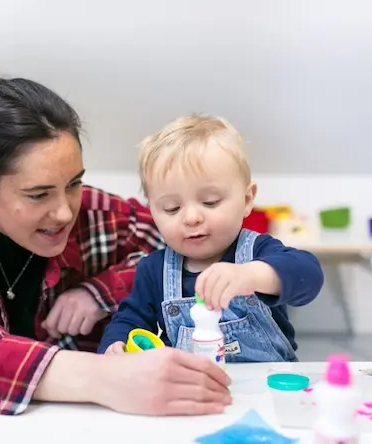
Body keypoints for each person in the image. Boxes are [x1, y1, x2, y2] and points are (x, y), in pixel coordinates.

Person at [0, 68, 234, 425]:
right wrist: (102, 377)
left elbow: (196, 247)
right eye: (38, 194)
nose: (64, 212)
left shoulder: (94, 212)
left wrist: (100, 291)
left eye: (73, 184)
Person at [97, 114, 324, 361]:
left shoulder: (258, 250)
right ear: (152, 211)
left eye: (210, 202)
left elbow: (308, 276)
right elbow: (129, 319)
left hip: (268, 385)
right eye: (172, 208)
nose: (191, 217)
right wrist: (115, 344)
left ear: (247, 200)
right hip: (192, 388)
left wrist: (251, 274)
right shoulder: (154, 270)